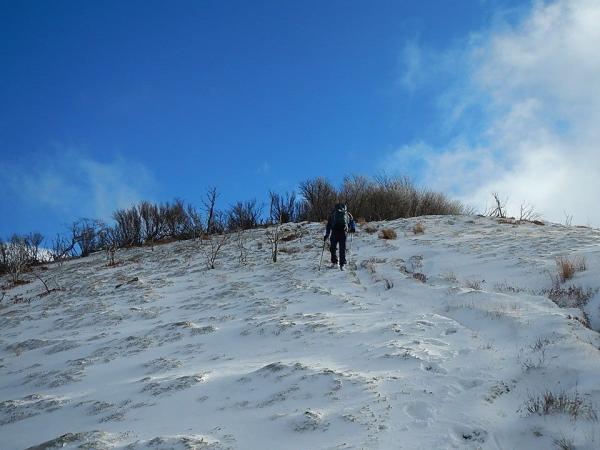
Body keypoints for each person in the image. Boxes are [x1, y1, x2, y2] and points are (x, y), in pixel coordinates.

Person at [324, 203, 355, 270]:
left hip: (334, 232)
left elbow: (328, 225)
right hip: (343, 233)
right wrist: (352, 228)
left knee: (333, 248)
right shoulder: (347, 214)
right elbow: (352, 221)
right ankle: (342, 264)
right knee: (342, 248)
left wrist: (327, 234)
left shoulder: (332, 214)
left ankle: (334, 263)